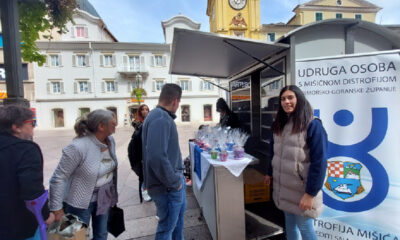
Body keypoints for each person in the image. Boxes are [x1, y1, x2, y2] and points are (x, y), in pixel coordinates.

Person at [264, 85, 328, 240]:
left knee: (305, 229)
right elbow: (275, 152)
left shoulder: (313, 125)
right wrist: (269, 173)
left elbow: (320, 163)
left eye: (290, 97)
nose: (286, 102)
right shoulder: (280, 124)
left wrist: (310, 193)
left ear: (299, 99)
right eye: (283, 99)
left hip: (302, 191)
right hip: (283, 187)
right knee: (290, 226)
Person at [49, 109, 118, 240]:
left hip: (104, 198)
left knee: (101, 235)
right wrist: (57, 209)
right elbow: (58, 178)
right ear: (101, 126)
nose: (116, 124)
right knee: (76, 237)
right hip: (79, 204)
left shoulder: (110, 141)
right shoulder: (77, 147)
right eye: (112, 122)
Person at [0, 105, 54, 240]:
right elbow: (32, 191)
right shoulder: (25, 149)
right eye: (32, 123)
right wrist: (46, 215)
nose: (33, 128)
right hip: (17, 226)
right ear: (16, 127)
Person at [142, 84, 186, 240]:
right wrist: (175, 182)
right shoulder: (161, 118)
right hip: (167, 187)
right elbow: (157, 157)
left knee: (176, 226)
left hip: (168, 185)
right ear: (175, 101)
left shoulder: (157, 116)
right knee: (166, 229)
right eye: (179, 103)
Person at [128, 104, 151, 202]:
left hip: (149, 149)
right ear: (140, 111)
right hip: (140, 150)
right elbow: (138, 138)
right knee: (143, 173)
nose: (145, 111)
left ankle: (149, 189)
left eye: (147, 109)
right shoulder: (137, 123)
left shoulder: (150, 121)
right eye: (143, 110)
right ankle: (144, 189)